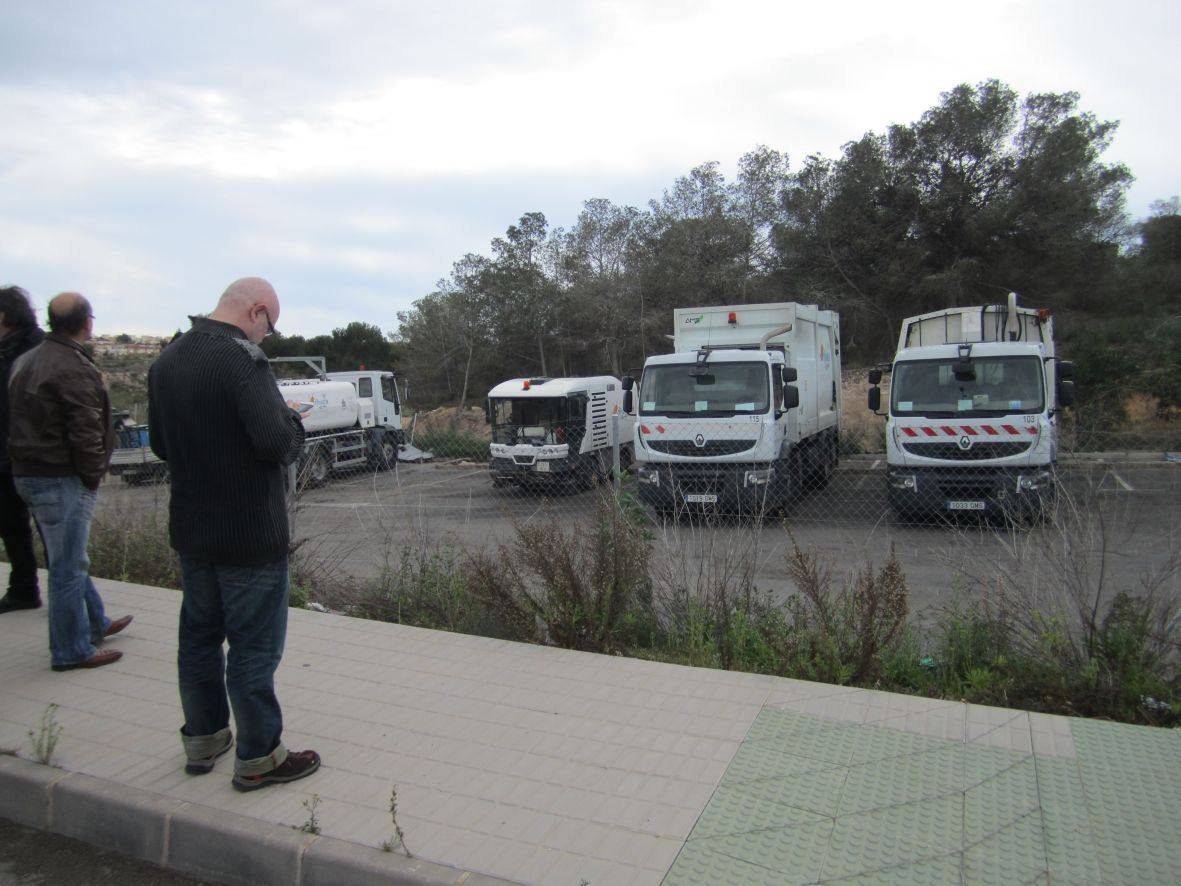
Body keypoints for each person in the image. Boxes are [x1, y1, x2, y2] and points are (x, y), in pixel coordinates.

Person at [148, 277, 320, 791]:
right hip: (249, 535)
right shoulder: (243, 361)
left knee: (199, 641)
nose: (267, 336)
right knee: (253, 649)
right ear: (258, 312)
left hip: (193, 531)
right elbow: (276, 443)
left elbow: (159, 444)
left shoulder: (167, 361)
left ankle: (203, 740)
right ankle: (260, 755)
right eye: (271, 326)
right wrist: (293, 422)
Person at [8, 293, 132, 669]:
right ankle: (71, 650)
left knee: (70, 558)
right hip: (60, 478)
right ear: (87, 323)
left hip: (29, 472)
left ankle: (96, 621)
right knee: (67, 567)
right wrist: (92, 476)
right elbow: (85, 431)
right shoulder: (70, 366)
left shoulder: (26, 360)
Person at [0, 286, 45, 614]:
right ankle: (23, 589)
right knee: (11, 526)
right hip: (7, 455)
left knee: (56, 537)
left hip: (40, 458)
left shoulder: (39, 350)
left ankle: (82, 611)